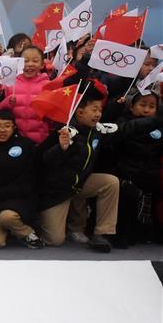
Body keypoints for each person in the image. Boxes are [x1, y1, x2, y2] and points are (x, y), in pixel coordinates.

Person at [37, 83, 120, 251]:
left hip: (79, 185)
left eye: (100, 110)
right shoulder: (63, 132)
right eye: (94, 109)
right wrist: (62, 149)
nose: (98, 114)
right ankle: (40, 220)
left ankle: (102, 234)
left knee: (110, 182)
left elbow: (126, 129)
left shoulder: (97, 131)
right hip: (57, 191)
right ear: (80, 112)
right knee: (54, 240)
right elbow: (43, 161)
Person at [0, 111, 44, 249]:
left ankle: (28, 233)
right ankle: (9, 231)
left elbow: (30, 179)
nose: (2, 130)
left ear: (14, 128)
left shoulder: (26, 146)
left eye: (7, 126)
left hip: (19, 201)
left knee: (7, 217)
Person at [111, 87, 162, 247]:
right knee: (129, 192)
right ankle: (121, 234)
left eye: (152, 106)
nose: (147, 110)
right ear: (132, 107)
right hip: (127, 175)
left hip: (151, 175)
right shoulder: (123, 123)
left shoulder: (159, 127)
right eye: (142, 104)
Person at [0, 46, 51, 144]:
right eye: (25, 61)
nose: (30, 64)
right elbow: (0, 112)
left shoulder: (48, 85)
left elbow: (53, 115)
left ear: (42, 65)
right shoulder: (10, 83)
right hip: (15, 139)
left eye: (35, 61)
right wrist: (8, 102)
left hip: (40, 140)